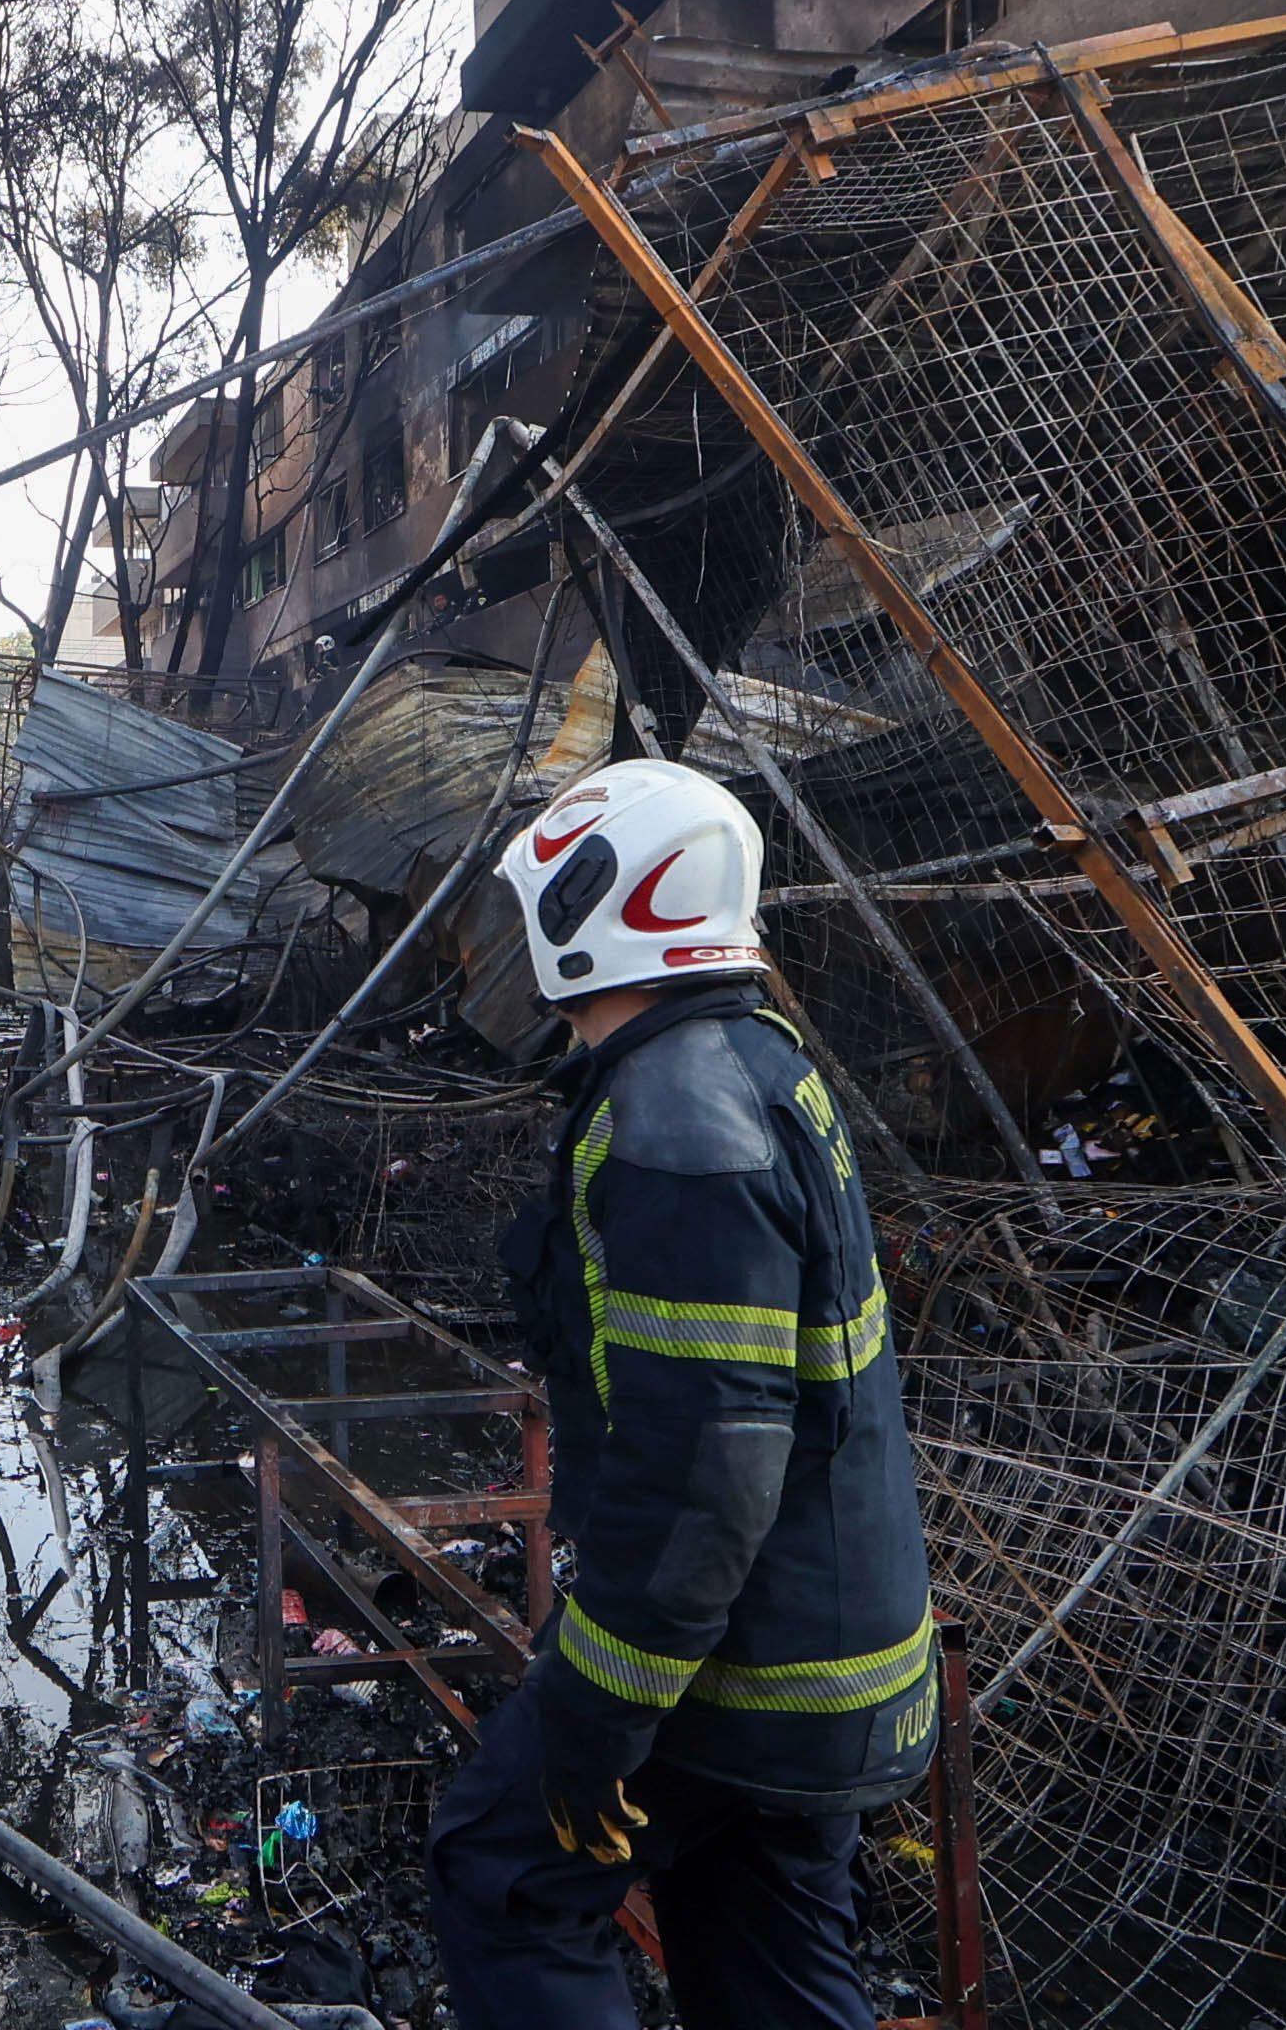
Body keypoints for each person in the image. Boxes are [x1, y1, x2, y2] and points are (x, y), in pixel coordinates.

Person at [425, 757, 936, 2030]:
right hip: (830, 1671)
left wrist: (597, 1712)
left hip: (741, 1685)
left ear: (600, 909)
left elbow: (708, 1464)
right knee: (766, 1960)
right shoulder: (753, 1060)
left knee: (505, 1876)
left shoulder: (674, 1120)